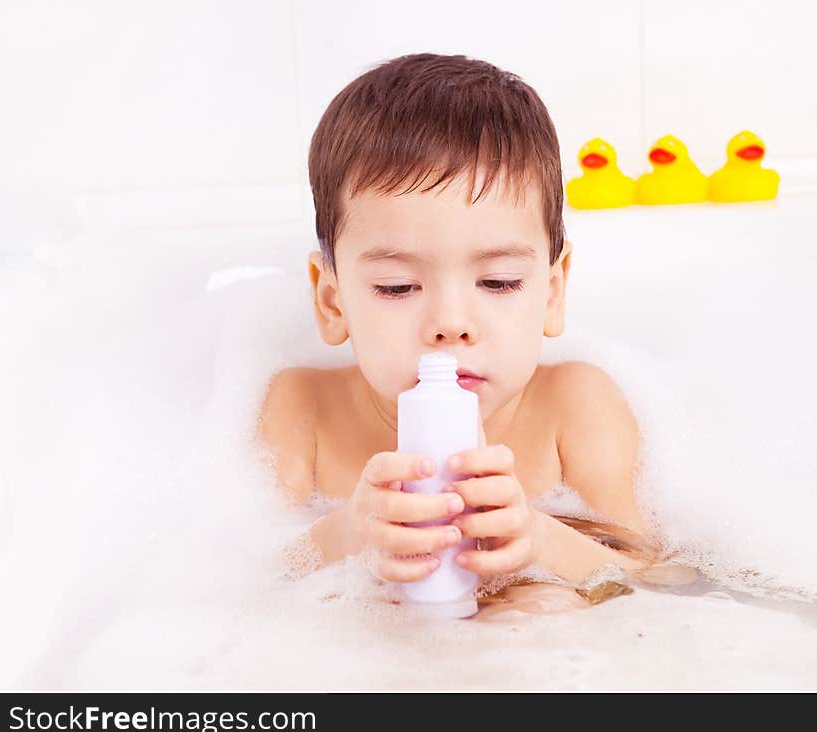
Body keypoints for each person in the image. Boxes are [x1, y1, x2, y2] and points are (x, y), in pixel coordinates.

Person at [257, 53, 659, 612]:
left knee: (547, 605)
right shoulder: (304, 412)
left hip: (532, 666)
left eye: (497, 282)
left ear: (551, 291)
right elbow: (244, 581)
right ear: (332, 301)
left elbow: (659, 579)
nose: (450, 325)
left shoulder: (574, 408)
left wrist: (540, 541)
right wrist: (345, 536)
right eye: (397, 288)